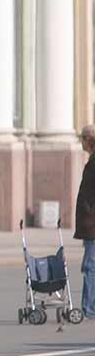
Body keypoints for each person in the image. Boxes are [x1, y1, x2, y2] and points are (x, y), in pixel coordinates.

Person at [75, 126, 95, 318]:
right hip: (90, 223)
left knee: (90, 266)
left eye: (82, 138)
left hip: (92, 224)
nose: (81, 141)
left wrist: (88, 208)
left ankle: (89, 308)